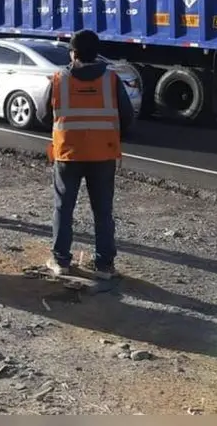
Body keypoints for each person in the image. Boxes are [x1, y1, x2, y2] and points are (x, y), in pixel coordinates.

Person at [35, 30, 135, 280]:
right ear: (96, 53)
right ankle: (104, 265)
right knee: (102, 210)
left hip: (68, 155)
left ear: (73, 53)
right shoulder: (111, 80)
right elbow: (127, 116)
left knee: (63, 207)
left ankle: (61, 261)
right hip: (103, 155)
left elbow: (43, 115)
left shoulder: (59, 79)